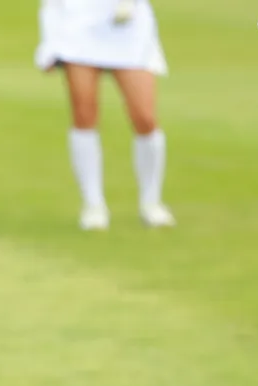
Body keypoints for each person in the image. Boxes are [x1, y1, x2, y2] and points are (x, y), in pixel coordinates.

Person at [36, 0, 175, 229]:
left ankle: (151, 203)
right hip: (77, 23)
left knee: (145, 117)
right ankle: (93, 205)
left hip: (128, 26)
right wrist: (49, 40)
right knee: (84, 114)